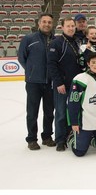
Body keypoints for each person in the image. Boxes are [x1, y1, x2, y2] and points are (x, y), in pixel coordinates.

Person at [18, 13, 56, 150]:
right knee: (32, 111)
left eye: (49, 22)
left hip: (50, 82)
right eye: (44, 22)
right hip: (33, 82)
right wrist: (31, 71)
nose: (47, 24)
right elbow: (22, 58)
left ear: (52, 24)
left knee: (49, 111)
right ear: (39, 23)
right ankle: (32, 139)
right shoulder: (29, 39)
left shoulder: (55, 40)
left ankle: (47, 136)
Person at [66, 52, 96, 157]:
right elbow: (73, 102)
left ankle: (92, 138)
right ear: (88, 64)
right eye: (93, 62)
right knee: (79, 152)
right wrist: (74, 122)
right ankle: (71, 137)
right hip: (85, 121)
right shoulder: (80, 79)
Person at [48, 17, 83, 151]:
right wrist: (58, 83)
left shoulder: (76, 42)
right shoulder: (56, 43)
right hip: (62, 85)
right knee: (61, 112)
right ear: (62, 27)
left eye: (72, 26)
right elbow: (51, 64)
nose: (71, 28)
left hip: (75, 85)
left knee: (72, 111)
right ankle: (60, 140)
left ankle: (70, 135)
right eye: (68, 26)